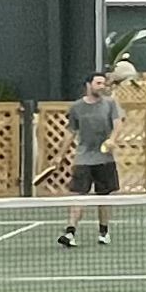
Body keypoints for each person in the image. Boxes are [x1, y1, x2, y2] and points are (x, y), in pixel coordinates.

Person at [56, 73, 120, 248]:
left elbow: (118, 123)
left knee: (104, 197)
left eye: (103, 83)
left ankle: (104, 232)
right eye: (98, 83)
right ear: (88, 85)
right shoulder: (77, 107)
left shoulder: (110, 104)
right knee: (78, 196)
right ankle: (70, 232)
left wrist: (112, 139)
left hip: (104, 158)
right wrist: (60, 154)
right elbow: (71, 132)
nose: (101, 86)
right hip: (83, 158)